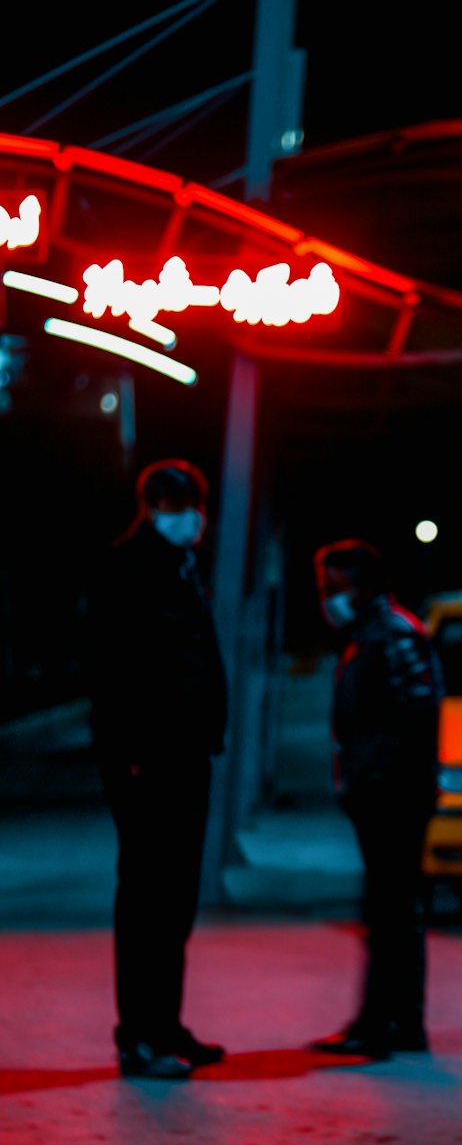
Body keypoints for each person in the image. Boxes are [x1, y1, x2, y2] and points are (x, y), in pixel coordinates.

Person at [83, 459, 229, 1080]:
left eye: (195, 502)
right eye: (181, 504)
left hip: (184, 753)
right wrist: (132, 756)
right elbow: (113, 672)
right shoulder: (128, 567)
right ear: (155, 505)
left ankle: (164, 1026)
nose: (193, 515)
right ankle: (140, 1037)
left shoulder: (178, 565)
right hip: (149, 761)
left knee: (174, 900)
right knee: (148, 899)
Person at [308, 538, 443, 1060]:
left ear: (363, 586)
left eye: (334, 587)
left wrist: (379, 782)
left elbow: (414, 718)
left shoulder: (391, 637)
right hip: (385, 795)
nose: (327, 598)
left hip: (393, 799)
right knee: (393, 912)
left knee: (390, 912)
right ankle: (398, 1023)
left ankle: (381, 1025)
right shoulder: (371, 635)